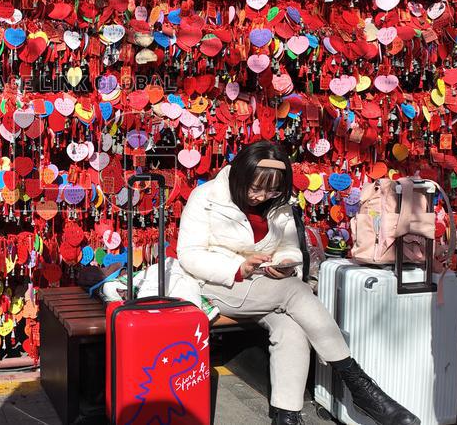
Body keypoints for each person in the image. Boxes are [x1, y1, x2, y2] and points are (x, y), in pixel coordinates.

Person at [176, 141, 419, 425]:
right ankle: (359, 386)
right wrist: (239, 267)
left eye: (272, 189)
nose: (262, 196)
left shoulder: (278, 205)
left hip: (266, 286)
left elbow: (289, 247)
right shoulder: (206, 197)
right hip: (218, 283)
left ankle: (287, 416)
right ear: (240, 175)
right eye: (255, 187)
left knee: (292, 328)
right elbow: (189, 255)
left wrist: (284, 264)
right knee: (294, 290)